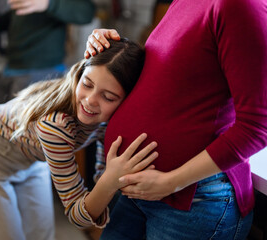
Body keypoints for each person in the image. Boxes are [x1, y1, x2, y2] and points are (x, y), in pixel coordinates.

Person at [84, 0, 267, 238]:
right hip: (138, 193)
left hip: (192, 201)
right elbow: (167, 79)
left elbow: (257, 127)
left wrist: (171, 182)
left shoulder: (240, 6)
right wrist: (107, 46)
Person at [0, 39, 153, 240]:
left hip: (33, 159)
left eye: (108, 97)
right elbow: (76, 214)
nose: (90, 100)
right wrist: (109, 181)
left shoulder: (111, 120)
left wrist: (103, 175)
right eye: (87, 84)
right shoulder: (56, 126)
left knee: (42, 235)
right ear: (79, 75)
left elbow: (102, 146)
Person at [0, 0, 96, 134]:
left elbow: (87, 13)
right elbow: (16, 17)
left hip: (40, 73)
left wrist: (48, 4)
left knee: (14, 135)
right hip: (11, 69)